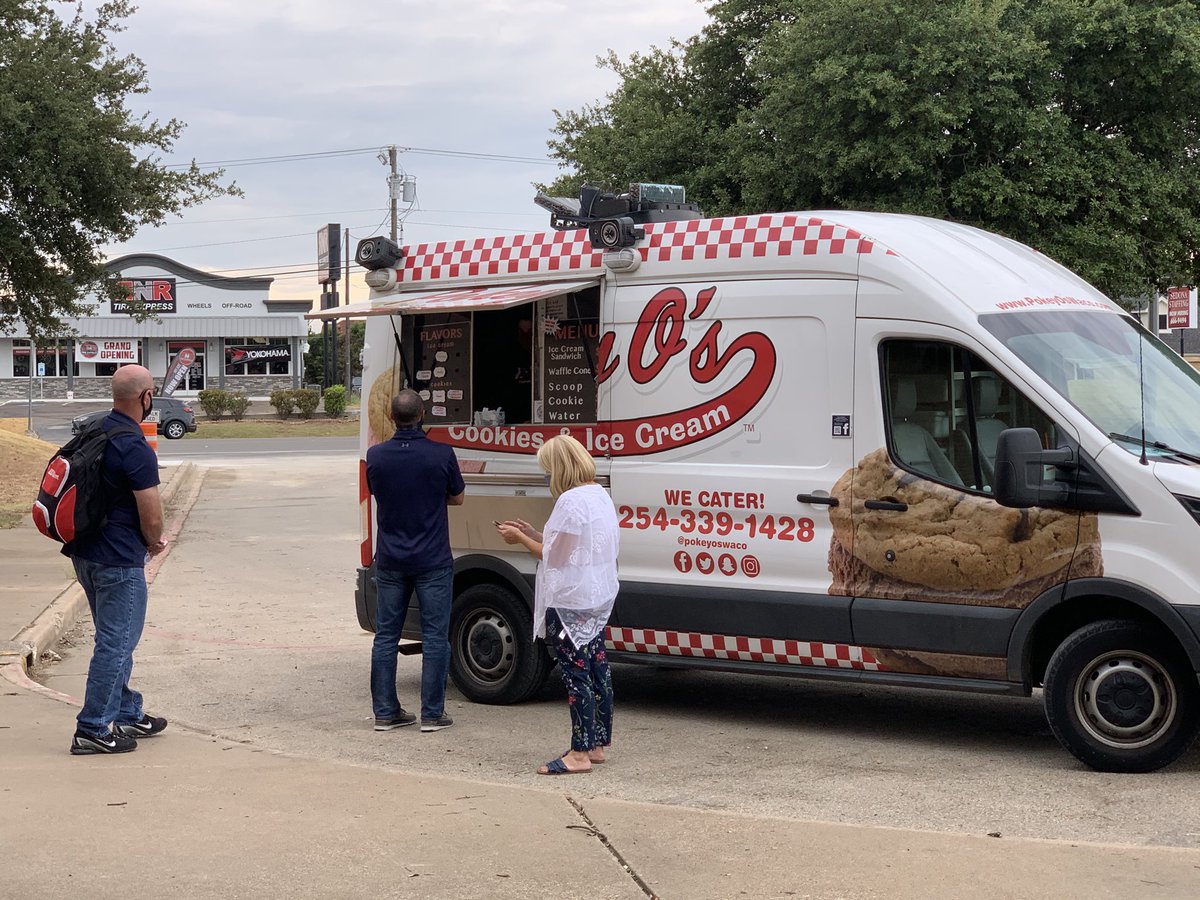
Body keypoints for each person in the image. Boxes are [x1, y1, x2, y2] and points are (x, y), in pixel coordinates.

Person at [495, 435, 619, 775]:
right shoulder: (599, 495)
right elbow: (571, 544)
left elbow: (554, 556)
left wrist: (519, 539)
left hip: (570, 601)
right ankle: (596, 743)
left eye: (548, 470)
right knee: (597, 668)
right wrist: (535, 532)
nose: (547, 476)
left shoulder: (569, 501)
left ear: (560, 468)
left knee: (575, 674)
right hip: (597, 596)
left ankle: (578, 753)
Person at [69, 365, 169, 755]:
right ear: (145, 397)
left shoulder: (96, 429)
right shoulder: (134, 445)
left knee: (114, 638)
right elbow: (152, 512)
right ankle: (92, 727)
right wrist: (154, 541)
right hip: (118, 560)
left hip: (85, 553)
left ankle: (127, 711)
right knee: (116, 643)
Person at [366, 389, 465, 733]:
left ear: (392, 417)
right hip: (433, 558)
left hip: (392, 558)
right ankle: (432, 714)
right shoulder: (441, 454)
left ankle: (385, 712)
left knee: (386, 636)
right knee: (436, 636)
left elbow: (380, 493)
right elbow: (458, 496)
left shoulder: (376, 456)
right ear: (423, 414)